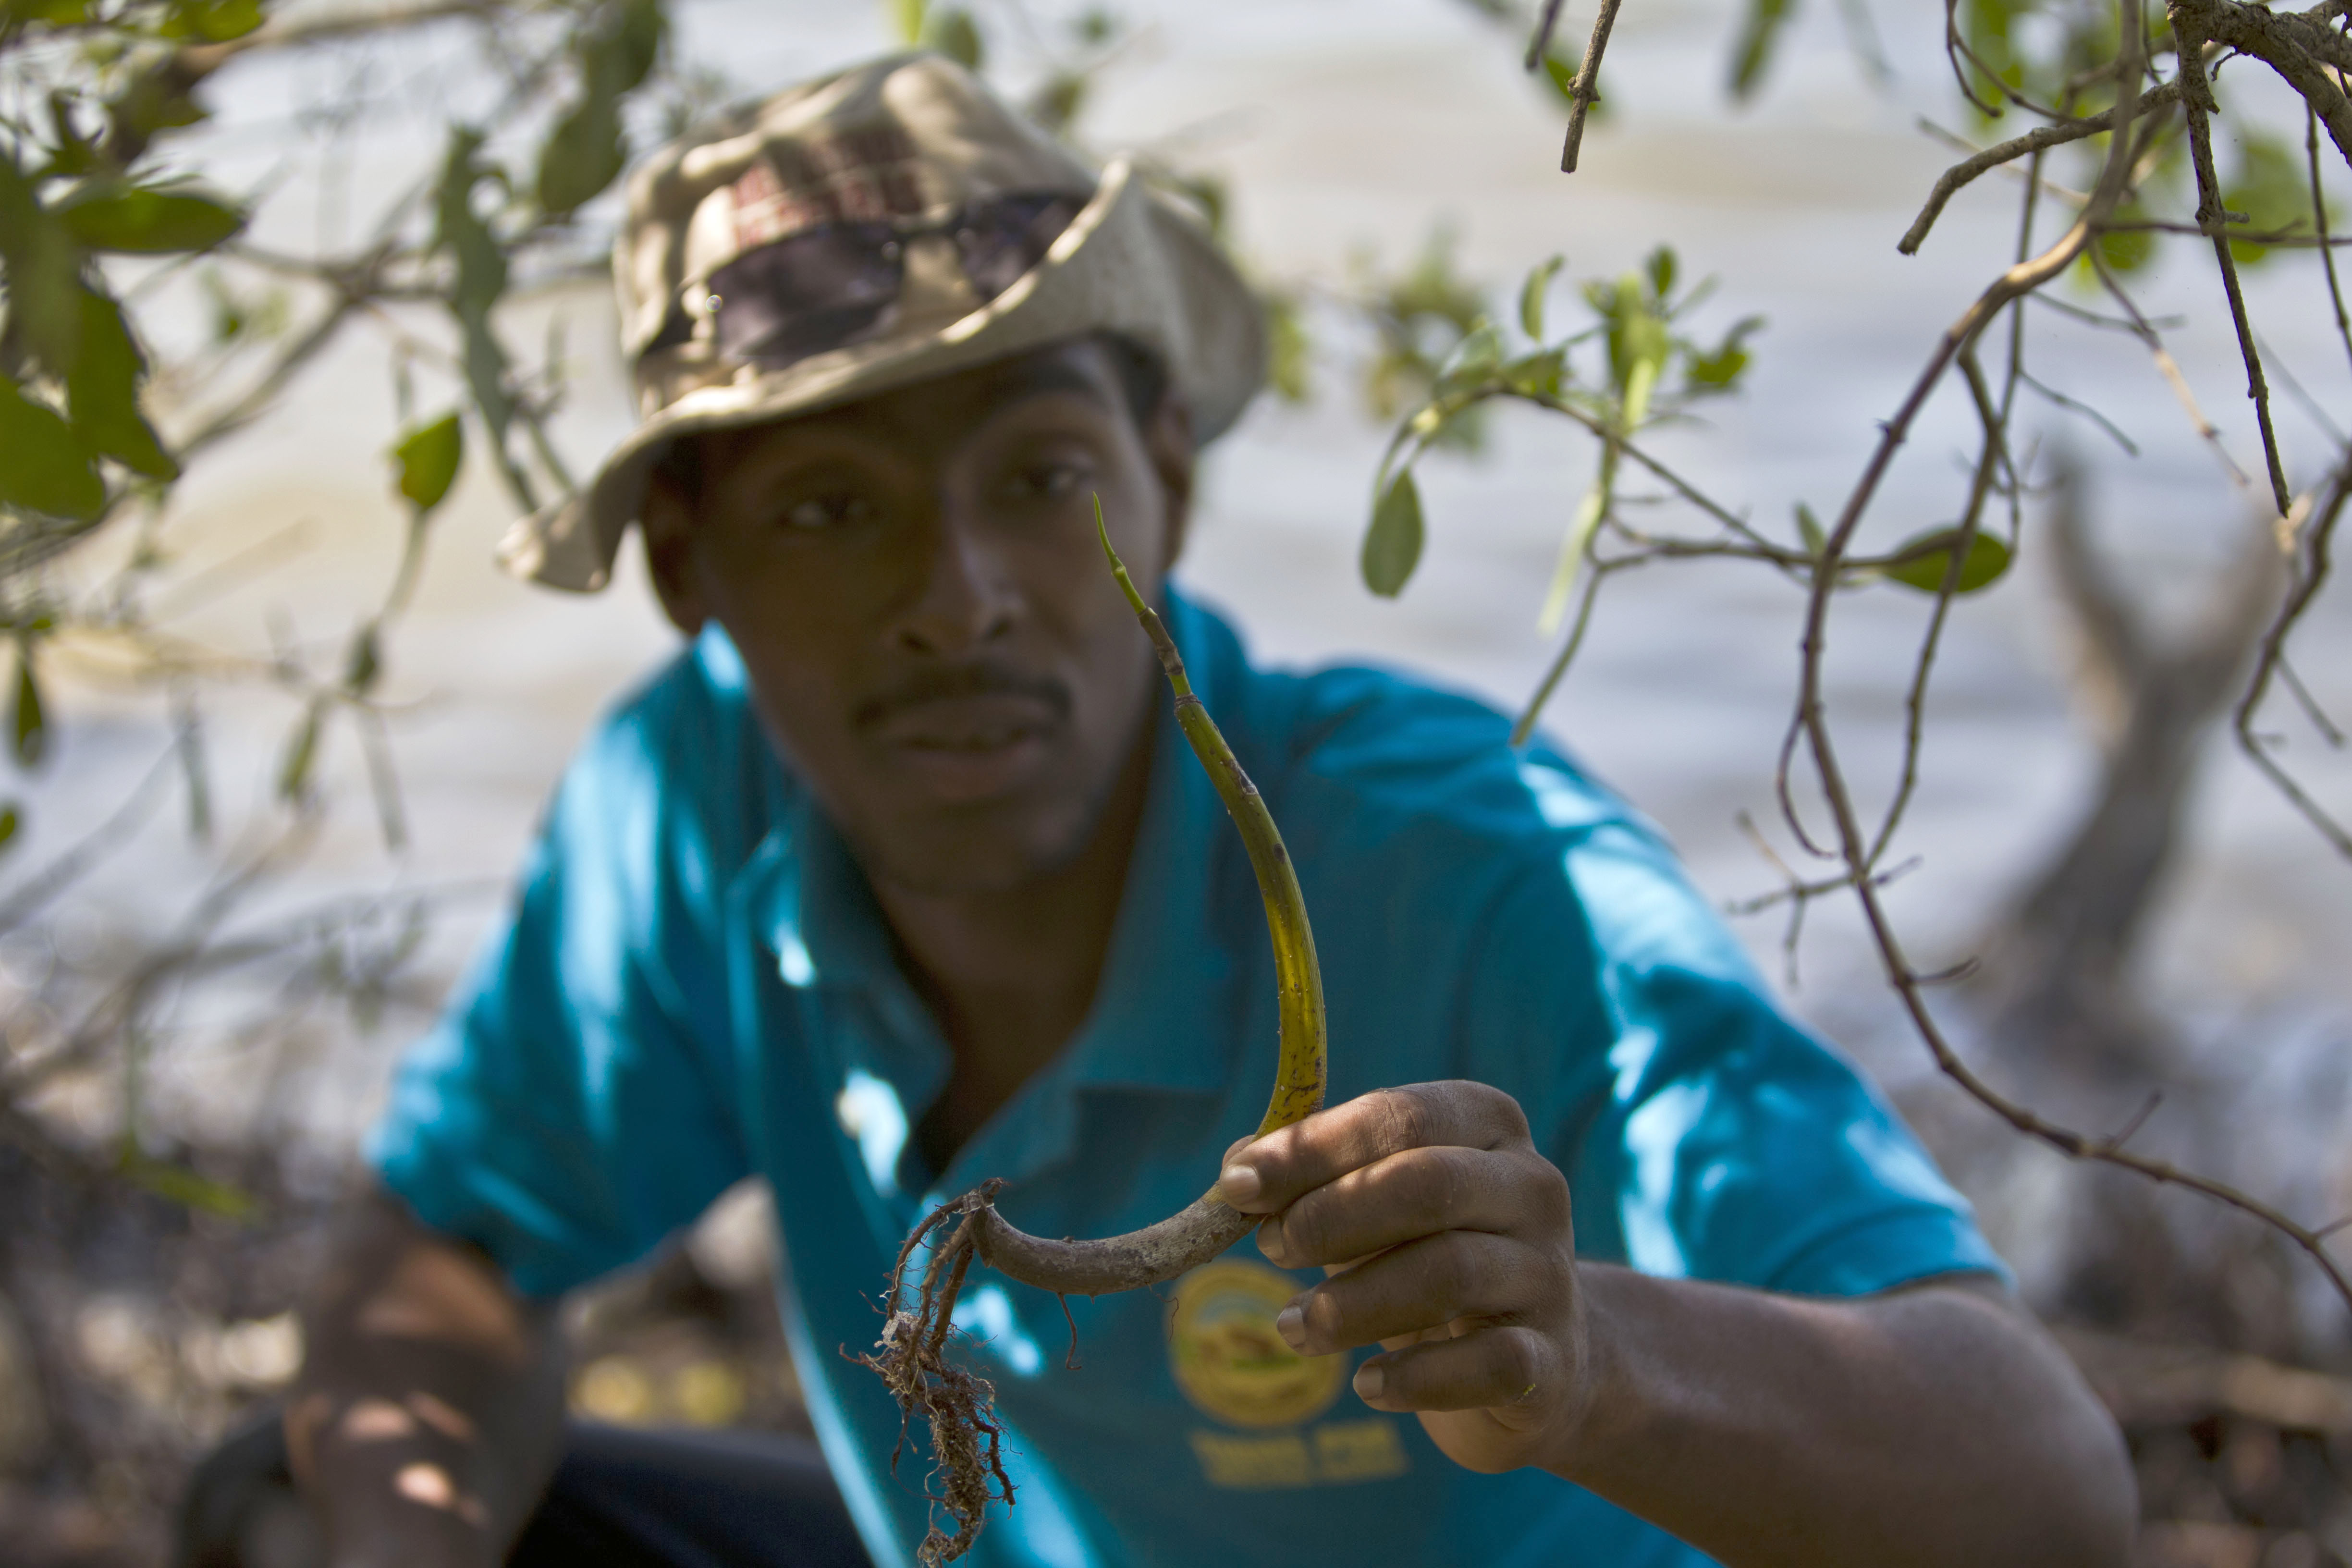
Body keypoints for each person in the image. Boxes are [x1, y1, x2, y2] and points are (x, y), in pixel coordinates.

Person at [185, 50, 2136, 1568]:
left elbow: (2041, 1487)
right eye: (830, 507)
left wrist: (1584, 1355)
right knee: (291, 1500)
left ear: (1168, 484)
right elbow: (449, 1252)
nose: (956, 597)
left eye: (1040, 476)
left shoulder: (1466, 863)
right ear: (690, 572)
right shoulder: (693, 806)